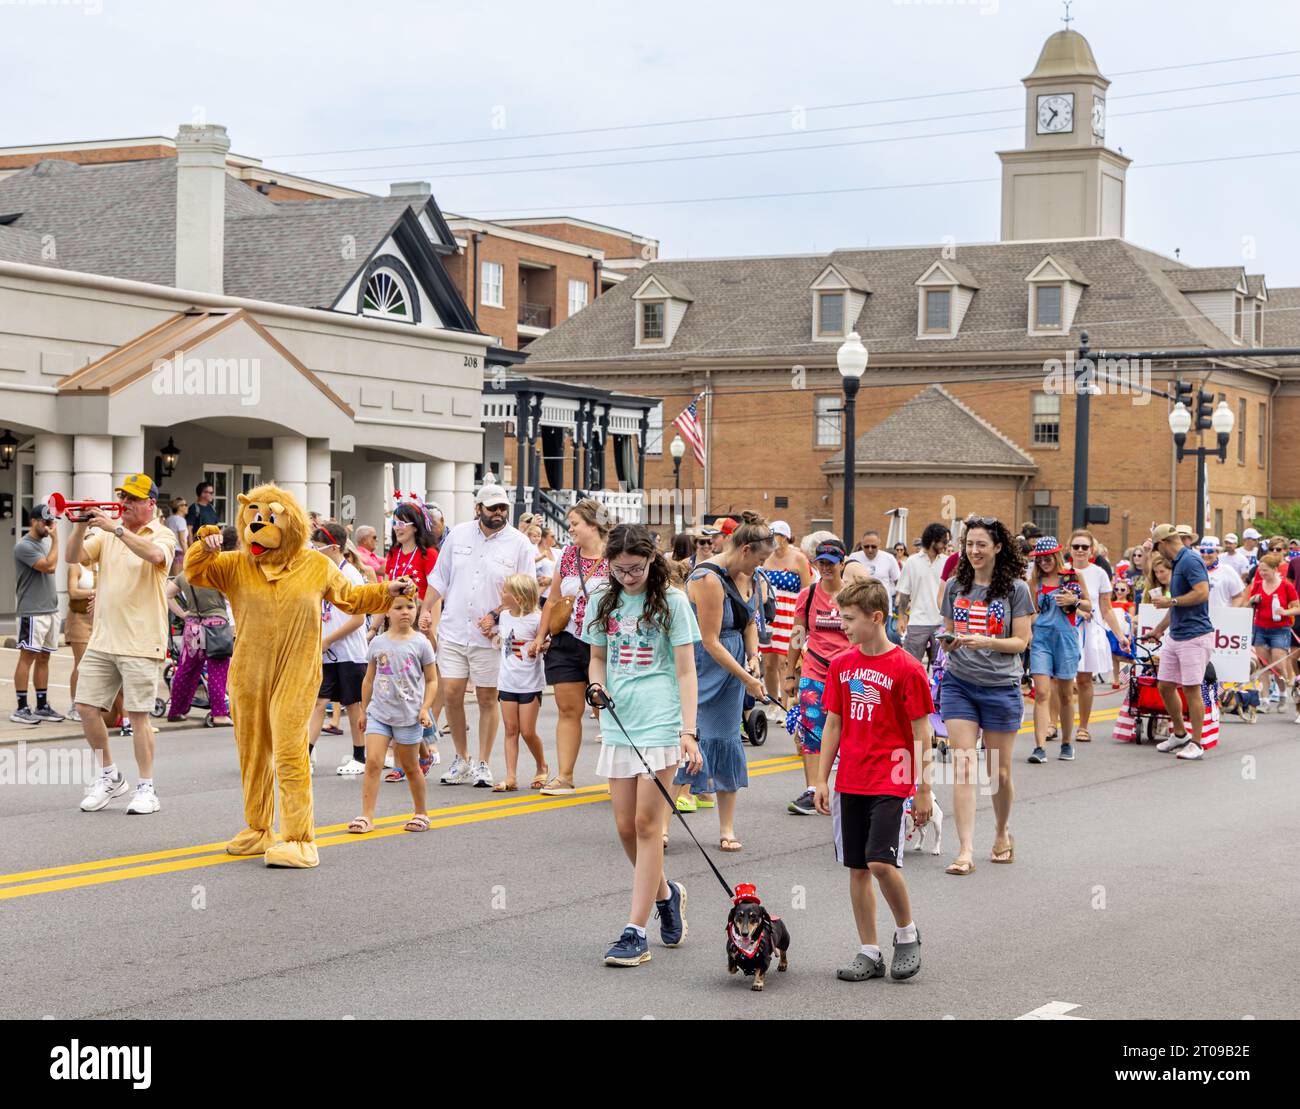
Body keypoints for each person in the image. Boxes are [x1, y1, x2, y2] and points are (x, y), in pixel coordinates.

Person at [582, 523, 702, 968]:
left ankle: (636, 931)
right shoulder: (603, 596)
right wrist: (596, 687)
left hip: (660, 720)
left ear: (652, 559)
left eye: (635, 568)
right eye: (619, 569)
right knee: (625, 828)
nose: (627, 577)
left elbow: (687, 671)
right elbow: (597, 657)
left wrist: (688, 730)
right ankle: (667, 894)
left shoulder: (671, 600)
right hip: (618, 720)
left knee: (649, 825)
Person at [814, 578, 932, 982]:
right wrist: (821, 780)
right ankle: (869, 950)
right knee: (857, 869)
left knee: (880, 861)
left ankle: (907, 933)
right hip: (851, 777)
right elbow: (833, 724)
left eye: (849, 618)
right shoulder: (841, 665)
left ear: (876, 617)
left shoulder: (907, 669)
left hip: (892, 778)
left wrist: (924, 789)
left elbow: (922, 732)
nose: (842, 625)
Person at [68, 473, 177, 815]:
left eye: (132, 498)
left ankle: (147, 787)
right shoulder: (106, 532)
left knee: (139, 715)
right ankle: (109, 776)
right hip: (103, 638)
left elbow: (156, 558)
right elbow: (75, 557)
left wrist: (115, 528)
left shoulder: (163, 534)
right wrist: (79, 522)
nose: (125, 503)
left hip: (142, 641)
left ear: (150, 504)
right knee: (86, 707)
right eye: (122, 497)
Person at [669, 519, 773, 852]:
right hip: (703, 665)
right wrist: (748, 678)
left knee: (728, 742)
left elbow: (749, 622)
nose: (761, 566)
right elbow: (710, 641)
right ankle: (661, 824)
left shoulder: (752, 576)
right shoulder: (707, 579)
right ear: (745, 550)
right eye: (759, 559)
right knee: (689, 739)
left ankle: (726, 828)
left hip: (735, 665)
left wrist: (754, 657)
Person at [939, 516, 1033, 875]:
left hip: (1001, 687)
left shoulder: (1015, 589)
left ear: (997, 548)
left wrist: (987, 641)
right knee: (963, 765)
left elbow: (1021, 641)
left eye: (981, 544)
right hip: (959, 683)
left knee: (999, 773)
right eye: (969, 544)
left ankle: (1001, 830)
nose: (974, 551)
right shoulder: (954, 586)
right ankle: (964, 850)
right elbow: (947, 635)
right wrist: (948, 643)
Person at [421, 484, 533, 788]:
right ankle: (462, 758)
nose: (498, 514)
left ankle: (484, 762)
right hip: (455, 628)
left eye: (503, 508)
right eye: (492, 508)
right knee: (453, 693)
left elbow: (527, 592)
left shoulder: (519, 543)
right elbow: (439, 578)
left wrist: (498, 614)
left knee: (486, 697)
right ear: (478, 509)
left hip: (491, 635)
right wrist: (425, 608)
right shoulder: (457, 535)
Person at [530, 498, 611, 795]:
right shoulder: (566, 556)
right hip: (567, 640)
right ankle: (564, 776)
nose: (571, 529)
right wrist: (540, 636)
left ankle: (619, 776)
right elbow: (552, 600)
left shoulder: (616, 558)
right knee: (568, 708)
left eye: (575, 523)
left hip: (605, 643)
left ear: (594, 524)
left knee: (609, 709)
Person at [349, 592, 437, 835]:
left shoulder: (421, 643)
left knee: (410, 767)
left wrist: (425, 708)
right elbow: (369, 679)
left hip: (409, 716)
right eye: (398, 607)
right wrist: (364, 711)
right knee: (373, 762)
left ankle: (421, 813)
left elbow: (431, 680)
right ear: (387, 612)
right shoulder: (378, 643)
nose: (405, 611)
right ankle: (366, 816)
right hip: (379, 713)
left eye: (410, 606)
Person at [785, 538, 852, 816]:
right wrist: (790, 673)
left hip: (848, 673)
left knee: (849, 732)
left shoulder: (853, 594)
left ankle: (847, 789)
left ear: (842, 564)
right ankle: (813, 791)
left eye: (831, 564)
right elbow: (798, 635)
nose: (825, 568)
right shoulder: (808, 595)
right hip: (815, 669)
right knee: (811, 729)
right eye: (821, 563)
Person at [306, 521, 374, 775]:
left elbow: (357, 620)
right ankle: (306, 754)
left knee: (354, 703)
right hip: (328, 652)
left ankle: (360, 755)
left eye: (318, 547)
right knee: (319, 702)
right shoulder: (324, 573)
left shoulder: (351, 576)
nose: (314, 551)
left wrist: (328, 640)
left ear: (334, 548)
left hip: (349, 653)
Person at [1142, 524, 1214, 760]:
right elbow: (1178, 606)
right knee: (1165, 685)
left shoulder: (1191, 561)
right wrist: (1158, 630)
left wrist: (1171, 602)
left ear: (1162, 543)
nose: (1156, 552)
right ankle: (1180, 735)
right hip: (1177, 634)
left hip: (1195, 635)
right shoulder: (1179, 562)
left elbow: (1202, 592)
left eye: (1155, 547)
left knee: (1192, 689)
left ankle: (1197, 742)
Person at [1025, 536, 1092, 763]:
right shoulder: (1034, 583)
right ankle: (1040, 747)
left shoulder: (1073, 576)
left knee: (1065, 695)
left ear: (1056, 556)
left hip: (1066, 638)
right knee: (1042, 693)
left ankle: (1066, 743)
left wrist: (1074, 600)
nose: (1044, 562)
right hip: (1042, 639)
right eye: (1039, 559)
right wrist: (1034, 623)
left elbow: (1088, 605)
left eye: (1047, 558)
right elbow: (1029, 612)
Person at [387, 500, 442, 767]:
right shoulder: (393, 554)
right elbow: (384, 593)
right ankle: (412, 747)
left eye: (402, 523)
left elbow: (435, 593)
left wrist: (431, 626)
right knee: (396, 687)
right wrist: (375, 627)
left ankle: (426, 742)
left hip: (419, 626)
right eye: (394, 523)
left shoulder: (428, 554)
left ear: (415, 525)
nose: (397, 528)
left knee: (413, 687)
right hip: (393, 628)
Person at [164, 524, 235, 726]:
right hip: (215, 624)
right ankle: (219, 713)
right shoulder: (215, 571)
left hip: (193, 625)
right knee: (217, 670)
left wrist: (183, 614)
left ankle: (176, 710)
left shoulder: (186, 573)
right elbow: (228, 596)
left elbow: (167, 594)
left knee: (186, 669)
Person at [1066, 529, 1128, 745]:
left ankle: (1083, 726)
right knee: (1059, 680)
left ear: (1092, 550)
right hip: (1064, 629)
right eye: (1076, 546)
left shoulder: (1100, 573)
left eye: (1085, 547)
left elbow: (1106, 608)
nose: (1080, 550)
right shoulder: (1061, 571)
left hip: (1088, 630)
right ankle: (1053, 723)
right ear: (1069, 549)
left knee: (1084, 679)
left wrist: (1120, 636)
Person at [492, 573, 548, 792]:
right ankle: (511, 777)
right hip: (507, 682)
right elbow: (503, 641)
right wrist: (491, 635)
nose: (502, 594)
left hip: (530, 683)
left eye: (506, 591)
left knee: (527, 731)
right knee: (510, 730)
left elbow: (547, 642)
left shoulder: (536, 619)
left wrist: (540, 645)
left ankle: (542, 765)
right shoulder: (504, 616)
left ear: (520, 597)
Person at [11, 504, 64, 724]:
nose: (49, 525)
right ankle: (21, 708)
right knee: (27, 657)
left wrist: (51, 540)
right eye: (45, 521)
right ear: (33, 521)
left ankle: (42, 705)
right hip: (32, 612)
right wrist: (56, 540)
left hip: (49, 610)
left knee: (44, 657)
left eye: (51, 521)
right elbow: (49, 567)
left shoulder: (43, 544)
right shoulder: (24, 546)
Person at [760, 520, 812, 717]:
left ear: (786, 537)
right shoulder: (765, 557)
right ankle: (773, 702)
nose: (776, 540)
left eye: (779, 535)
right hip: (769, 614)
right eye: (773, 535)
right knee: (768, 663)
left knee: (785, 661)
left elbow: (806, 590)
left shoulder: (798, 559)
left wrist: (805, 619)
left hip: (791, 615)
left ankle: (785, 706)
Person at [896, 523, 950, 665]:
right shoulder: (912, 562)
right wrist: (901, 618)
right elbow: (905, 593)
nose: (946, 545)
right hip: (917, 623)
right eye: (944, 541)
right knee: (911, 666)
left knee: (941, 667)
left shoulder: (947, 562)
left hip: (941, 624)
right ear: (933, 540)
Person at [1248, 553, 1300, 692]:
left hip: (1280, 629)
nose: (1262, 573)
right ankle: (1265, 698)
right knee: (1264, 664)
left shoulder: (1286, 586)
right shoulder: (1258, 585)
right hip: (1260, 628)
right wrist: (1252, 600)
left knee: (1278, 664)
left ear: (1275, 569)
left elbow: (1297, 608)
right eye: (1260, 569)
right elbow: (1249, 605)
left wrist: (1285, 612)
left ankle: (1282, 692)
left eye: (1265, 570)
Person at [1199, 537, 1247, 607]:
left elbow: (1239, 596)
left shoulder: (1227, 570)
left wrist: (1229, 614)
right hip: (1198, 617)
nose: (1206, 555)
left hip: (1221, 616)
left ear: (1217, 552)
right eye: (1202, 551)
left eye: (1210, 551)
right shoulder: (1194, 570)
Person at [165, 498, 189, 574]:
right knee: (178, 580)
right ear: (180, 507)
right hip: (179, 553)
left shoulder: (168, 519)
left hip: (170, 551)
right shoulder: (181, 520)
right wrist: (188, 554)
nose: (187, 507)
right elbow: (182, 540)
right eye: (185, 505)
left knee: (171, 578)